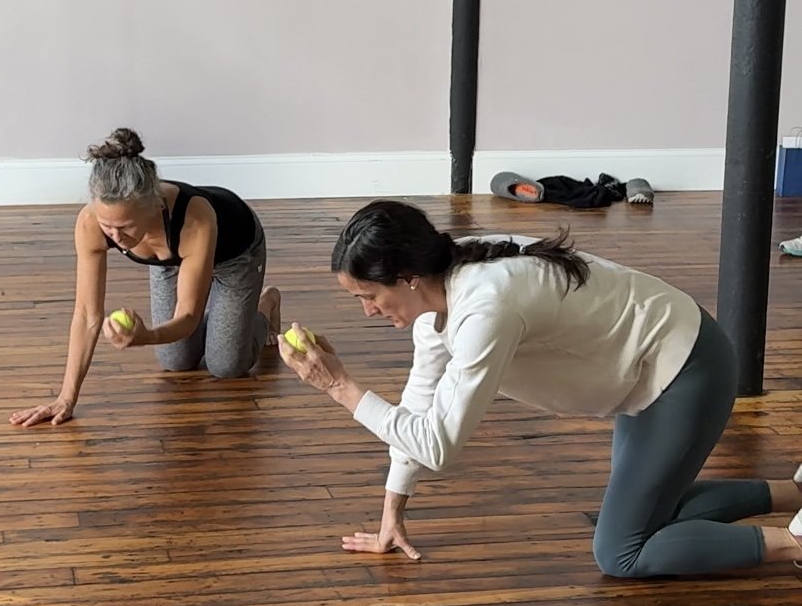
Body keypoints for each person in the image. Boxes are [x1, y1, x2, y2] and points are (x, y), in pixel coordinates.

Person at [278, 199, 802, 577]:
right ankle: (796, 494)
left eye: (368, 295)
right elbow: (419, 409)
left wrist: (340, 388)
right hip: (648, 369)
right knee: (645, 518)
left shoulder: (485, 307)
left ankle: (795, 543)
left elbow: (439, 446)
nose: (367, 310)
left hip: (685, 369)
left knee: (621, 551)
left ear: (408, 277)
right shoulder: (441, 289)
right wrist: (392, 516)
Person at [10, 128, 281, 427]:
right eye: (107, 225)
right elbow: (87, 314)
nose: (115, 235)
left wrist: (145, 337)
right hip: (169, 260)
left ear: (154, 205)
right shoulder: (90, 223)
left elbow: (188, 316)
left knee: (226, 365)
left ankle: (265, 305)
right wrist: (66, 397)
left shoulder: (195, 219)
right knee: (175, 360)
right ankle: (226, 320)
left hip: (235, 254)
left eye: (125, 226)